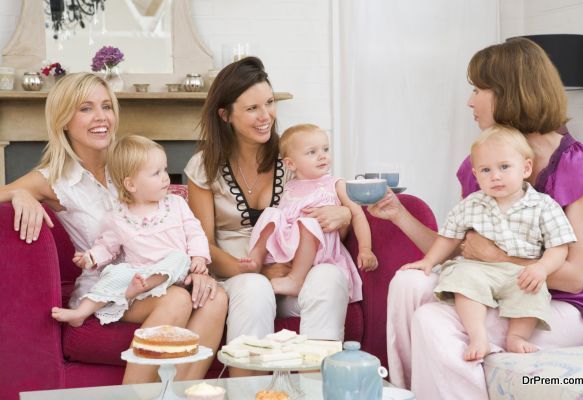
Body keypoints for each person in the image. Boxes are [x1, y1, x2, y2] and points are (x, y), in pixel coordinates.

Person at [368, 37, 583, 399]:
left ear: (509, 92)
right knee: (408, 283)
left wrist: (500, 257)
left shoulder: (575, 164)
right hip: (495, 288)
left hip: (561, 306)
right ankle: (405, 389)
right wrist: (398, 215)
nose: (470, 100)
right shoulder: (484, 165)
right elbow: (464, 248)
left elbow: (573, 277)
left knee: (432, 321)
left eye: (478, 89)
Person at [0, 73, 227, 383]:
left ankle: (182, 394)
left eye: (106, 106)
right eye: (86, 108)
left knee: (216, 299)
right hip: (110, 289)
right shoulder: (54, 179)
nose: (101, 117)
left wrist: (200, 272)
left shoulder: (131, 163)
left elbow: (178, 222)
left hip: (160, 276)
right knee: (177, 299)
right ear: (64, 119)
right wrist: (19, 193)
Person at [184, 57, 352, 376]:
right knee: (254, 288)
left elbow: (327, 223)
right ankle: (249, 392)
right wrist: (254, 269)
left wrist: (342, 213)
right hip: (236, 277)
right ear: (225, 115)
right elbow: (201, 246)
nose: (266, 116)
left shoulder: (294, 156)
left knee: (330, 277)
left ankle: (315, 390)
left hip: (292, 277)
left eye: (270, 103)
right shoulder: (203, 166)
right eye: (252, 109)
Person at [401, 125, 576, 361]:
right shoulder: (472, 204)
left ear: (525, 168)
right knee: (463, 277)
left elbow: (559, 246)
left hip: (520, 271)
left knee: (533, 289)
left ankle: (517, 336)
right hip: (480, 268)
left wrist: (542, 268)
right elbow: (449, 236)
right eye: (486, 170)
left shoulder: (544, 206)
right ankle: (477, 335)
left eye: (504, 167)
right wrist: (428, 261)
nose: (495, 176)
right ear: (476, 175)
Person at [51, 135, 212, 327]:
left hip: (176, 273)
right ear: (131, 184)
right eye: (156, 173)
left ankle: (142, 285)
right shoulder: (117, 217)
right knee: (113, 273)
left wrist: (199, 258)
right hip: (138, 274)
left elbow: (195, 232)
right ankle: (81, 312)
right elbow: (107, 246)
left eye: (165, 169)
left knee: (179, 257)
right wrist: (91, 258)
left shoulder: (176, 204)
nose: (165, 177)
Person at [240, 123, 377, 296]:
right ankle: (256, 259)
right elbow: (283, 222)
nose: (322, 156)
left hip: (321, 247)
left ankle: (296, 280)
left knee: (308, 223)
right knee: (271, 213)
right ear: (290, 164)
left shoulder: (335, 184)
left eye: (325, 149)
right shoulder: (289, 187)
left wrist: (365, 248)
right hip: (292, 249)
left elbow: (357, 214)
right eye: (312, 152)